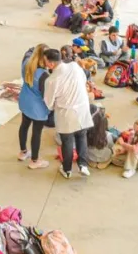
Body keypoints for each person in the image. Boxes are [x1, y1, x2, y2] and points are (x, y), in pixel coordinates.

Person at [44, 47, 92, 179]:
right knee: (82, 137)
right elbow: (83, 81)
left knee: (67, 141)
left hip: (66, 113)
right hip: (82, 108)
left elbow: (49, 103)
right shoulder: (74, 67)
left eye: (45, 61)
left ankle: (67, 169)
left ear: (51, 64)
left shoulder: (52, 80)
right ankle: (83, 165)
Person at [18, 44, 52, 170]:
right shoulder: (43, 75)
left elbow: (28, 51)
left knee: (24, 126)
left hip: (25, 101)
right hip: (38, 108)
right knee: (36, 133)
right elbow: (46, 96)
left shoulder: (26, 64)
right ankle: (35, 160)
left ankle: (23, 152)